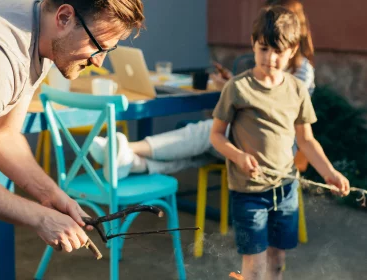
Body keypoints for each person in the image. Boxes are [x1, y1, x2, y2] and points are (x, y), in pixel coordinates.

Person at [0, 0, 144, 278]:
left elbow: (2, 134)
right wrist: (40, 218)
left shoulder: (39, 36)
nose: (99, 61)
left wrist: (50, 195)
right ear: (64, 17)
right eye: (98, 45)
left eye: (110, 49)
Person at [89, 0, 315, 180]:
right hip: (246, 136)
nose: (271, 56)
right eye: (265, 47)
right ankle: (128, 159)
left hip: (275, 147)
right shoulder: (269, 69)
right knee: (197, 152)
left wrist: (230, 87)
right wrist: (233, 82)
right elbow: (260, 95)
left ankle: (123, 147)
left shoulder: (302, 73)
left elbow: (273, 107)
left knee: (206, 133)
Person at [210, 6, 349, 280]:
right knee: (255, 266)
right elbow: (216, 135)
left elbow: (306, 140)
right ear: (253, 43)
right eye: (263, 49)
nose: (270, 58)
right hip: (249, 193)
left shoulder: (296, 89)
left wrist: (330, 173)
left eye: (278, 51)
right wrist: (238, 156)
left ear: (293, 50)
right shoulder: (238, 88)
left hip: (285, 191)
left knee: (276, 262)